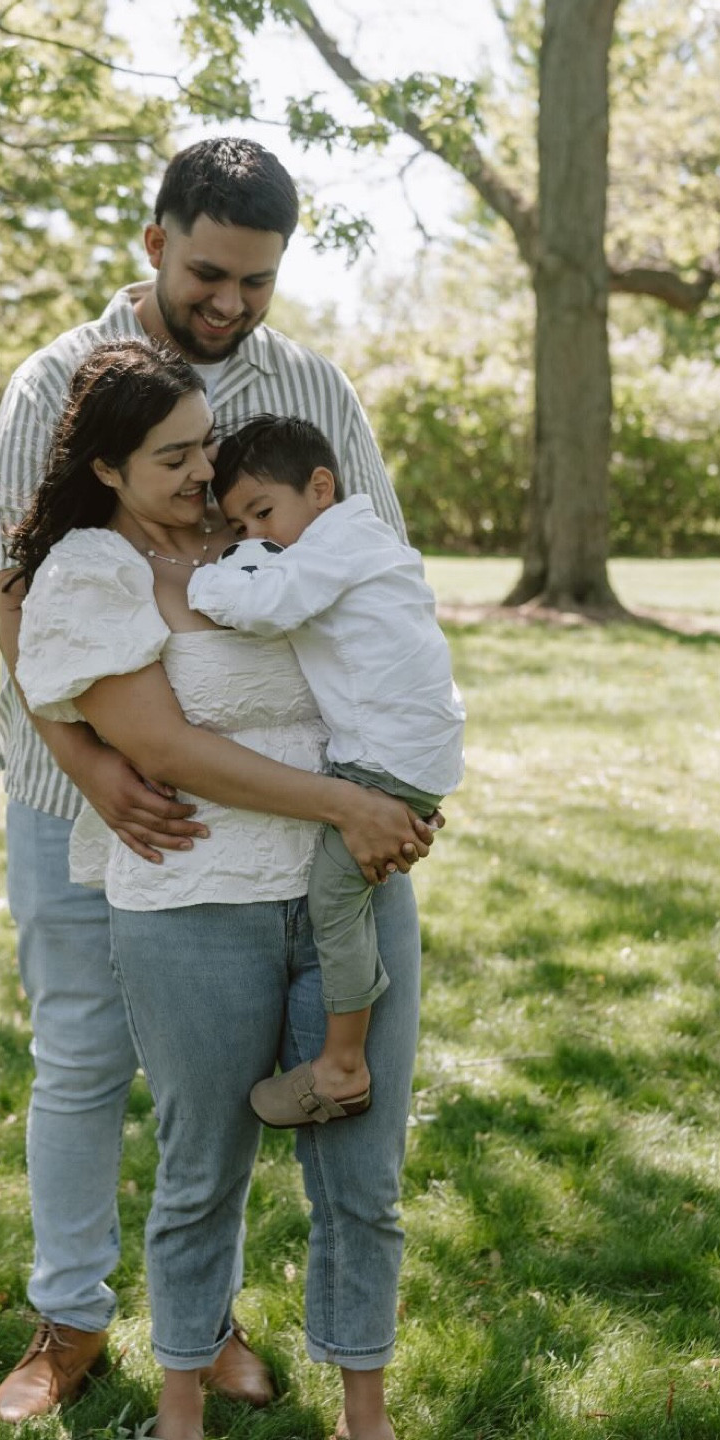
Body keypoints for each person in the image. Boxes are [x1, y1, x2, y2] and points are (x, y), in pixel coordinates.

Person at [0, 137, 422, 1424]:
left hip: (273, 808)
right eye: (210, 272)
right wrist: (99, 768)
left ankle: (204, 1325)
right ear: (155, 239)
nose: (230, 303)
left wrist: (390, 766)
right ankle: (68, 1320)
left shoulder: (312, 385)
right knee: (82, 1058)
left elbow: (374, 560)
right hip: (83, 792)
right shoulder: (59, 382)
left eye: (258, 281)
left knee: (204, 1093)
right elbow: (19, 599)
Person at [186, 415, 465, 1128]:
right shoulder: (367, 539)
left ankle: (341, 1064)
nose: (254, 538)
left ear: (320, 487)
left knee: (335, 903)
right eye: (238, 526)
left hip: (382, 758)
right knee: (356, 890)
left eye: (262, 514)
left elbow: (268, 606)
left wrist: (203, 585)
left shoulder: (332, 549)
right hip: (414, 748)